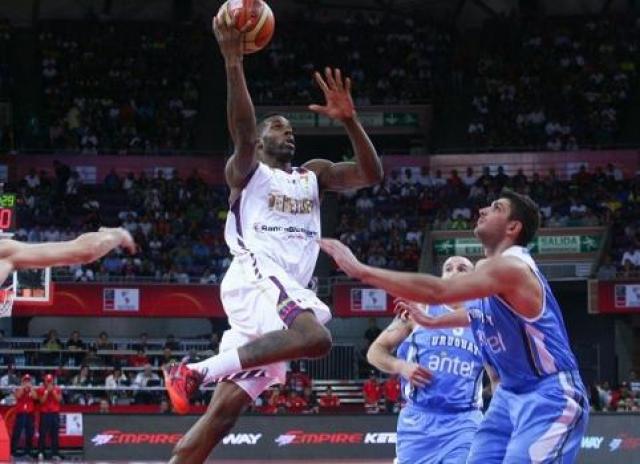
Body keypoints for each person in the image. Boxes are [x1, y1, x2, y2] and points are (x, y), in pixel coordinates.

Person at [163, 12, 382, 464]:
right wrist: (233, 61)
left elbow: (370, 174)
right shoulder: (246, 172)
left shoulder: (313, 175)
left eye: (291, 128)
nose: (289, 132)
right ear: (261, 140)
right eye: (279, 126)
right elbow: (242, 132)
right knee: (317, 337)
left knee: (220, 419)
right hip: (257, 277)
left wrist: (350, 121)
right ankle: (193, 371)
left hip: (277, 298)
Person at [320, 189, 589, 463]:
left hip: (548, 392)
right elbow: (474, 312)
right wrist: (433, 321)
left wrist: (361, 271)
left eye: (496, 207)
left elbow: (437, 292)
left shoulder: (512, 267)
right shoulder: (489, 277)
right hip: (506, 395)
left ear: (513, 227)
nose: (482, 210)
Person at [367, 256, 496, 464]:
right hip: (417, 422)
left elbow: (496, 378)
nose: (454, 272)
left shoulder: (484, 321)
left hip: (464, 421)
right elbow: (375, 351)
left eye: (462, 268)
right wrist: (400, 366)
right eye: (448, 268)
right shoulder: (419, 310)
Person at [0, 227, 135, 288]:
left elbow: (83, 251)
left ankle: (115, 234)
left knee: (84, 253)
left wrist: (117, 236)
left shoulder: (4, 252)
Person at [37, 373, 62, 460]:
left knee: (54, 434)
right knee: (42, 434)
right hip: (45, 414)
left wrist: (53, 392)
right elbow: (41, 401)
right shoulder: (41, 389)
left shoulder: (57, 389)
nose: (49, 383)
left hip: (54, 414)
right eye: (47, 381)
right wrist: (47, 392)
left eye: (50, 381)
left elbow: (59, 400)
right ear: (44, 381)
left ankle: (55, 453)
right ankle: (41, 452)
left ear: (53, 381)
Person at [11, 374, 37, 458]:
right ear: (22, 381)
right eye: (25, 381)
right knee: (17, 432)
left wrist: (31, 388)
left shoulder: (32, 390)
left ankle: (28, 452)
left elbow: (35, 397)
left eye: (28, 381)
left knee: (29, 433)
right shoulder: (19, 389)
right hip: (21, 413)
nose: (27, 382)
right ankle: (13, 451)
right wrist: (23, 388)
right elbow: (18, 396)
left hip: (29, 413)